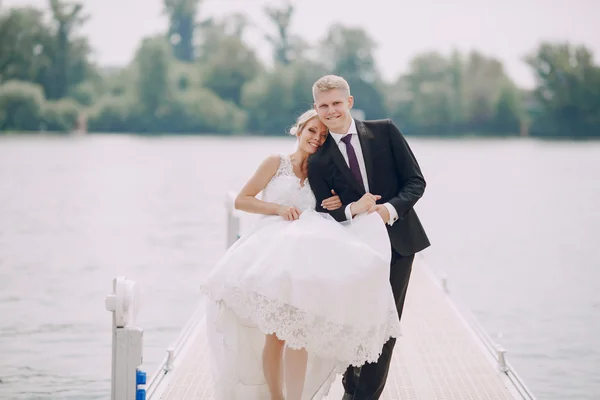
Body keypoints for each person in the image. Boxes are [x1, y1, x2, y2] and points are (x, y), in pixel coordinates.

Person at [200, 109, 401, 400]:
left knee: (300, 336)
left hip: (307, 261)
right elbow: (243, 201)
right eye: (311, 131)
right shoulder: (275, 163)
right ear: (298, 130)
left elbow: (335, 211)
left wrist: (342, 203)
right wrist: (279, 209)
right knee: (277, 336)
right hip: (274, 254)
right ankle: (276, 397)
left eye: (322, 135)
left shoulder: (323, 171)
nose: (317, 138)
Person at [307, 75, 430, 400]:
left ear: (348, 102)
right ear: (316, 109)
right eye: (323, 106)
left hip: (397, 242)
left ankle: (362, 397)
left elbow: (415, 182)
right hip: (349, 249)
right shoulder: (318, 161)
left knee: (385, 326)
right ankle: (351, 385)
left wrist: (387, 211)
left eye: (336, 103)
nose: (331, 111)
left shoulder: (385, 131)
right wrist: (348, 210)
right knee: (352, 322)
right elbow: (324, 210)